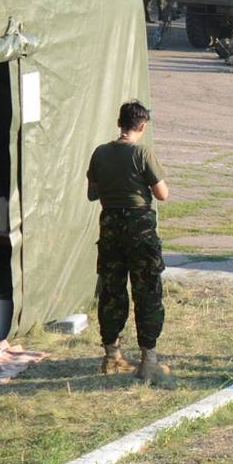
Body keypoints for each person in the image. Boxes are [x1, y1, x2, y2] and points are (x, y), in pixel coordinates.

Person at [85, 101, 170, 383]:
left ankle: (111, 356)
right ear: (142, 126)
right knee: (147, 290)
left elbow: (92, 194)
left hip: (110, 227)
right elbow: (162, 194)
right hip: (140, 228)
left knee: (112, 290)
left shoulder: (100, 153)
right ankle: (149, 361)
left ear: (119, 123)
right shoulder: (142, 152)